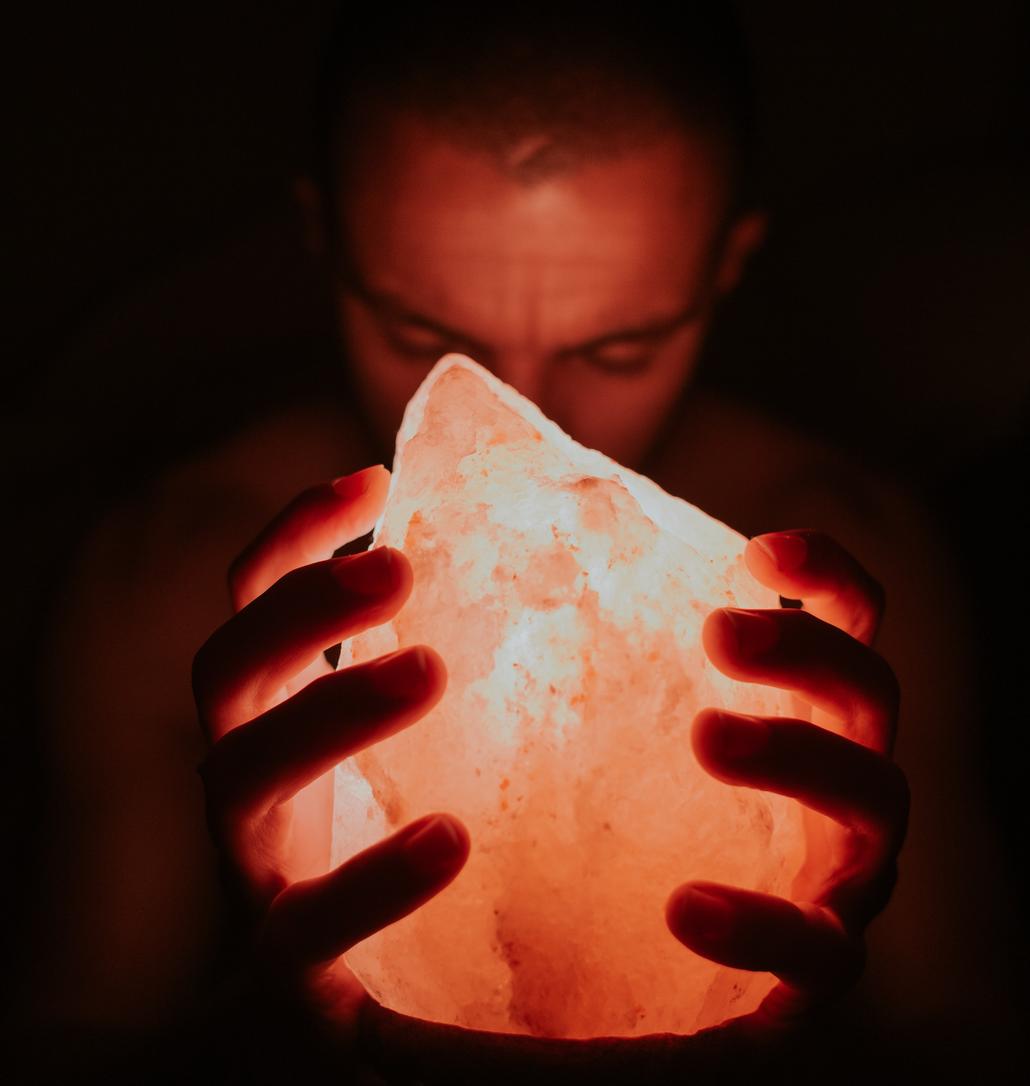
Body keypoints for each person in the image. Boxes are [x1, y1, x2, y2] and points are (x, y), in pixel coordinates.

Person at [21, 3, 1015, 1080]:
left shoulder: (837, 581)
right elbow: (75, 1032)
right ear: (325, 242)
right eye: (426, 339)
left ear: (727, 266)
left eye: (621, 346)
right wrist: (282, 1031)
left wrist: (799, 1039)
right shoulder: (169, 580)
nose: (530, 421)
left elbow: (958, 1026)